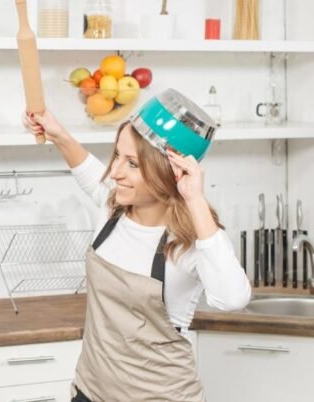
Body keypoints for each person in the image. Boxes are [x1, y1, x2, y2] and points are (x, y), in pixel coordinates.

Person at [23, 89, 251, 402]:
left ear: (166, 172)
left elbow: (233, 298)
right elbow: (88, 170)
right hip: (91, 391)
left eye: (132, 163)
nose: (115, 172)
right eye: (117, 155)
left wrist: (195, 198)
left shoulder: (188, 243)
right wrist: (58, 133)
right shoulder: (112, 208)